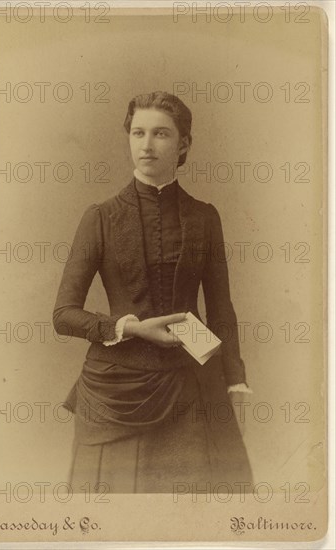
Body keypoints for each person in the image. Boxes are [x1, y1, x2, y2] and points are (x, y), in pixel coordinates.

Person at [53, 91, 253, 493]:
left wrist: (235, 380)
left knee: (205, 501)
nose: (146, 145)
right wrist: (130, 328)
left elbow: (221, 308)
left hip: (195, 368)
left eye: (161, 134)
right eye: (138, 132)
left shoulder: (204, 216)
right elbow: (63, 314)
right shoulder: (100, 218)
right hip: (118, 384)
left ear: (183, 144)